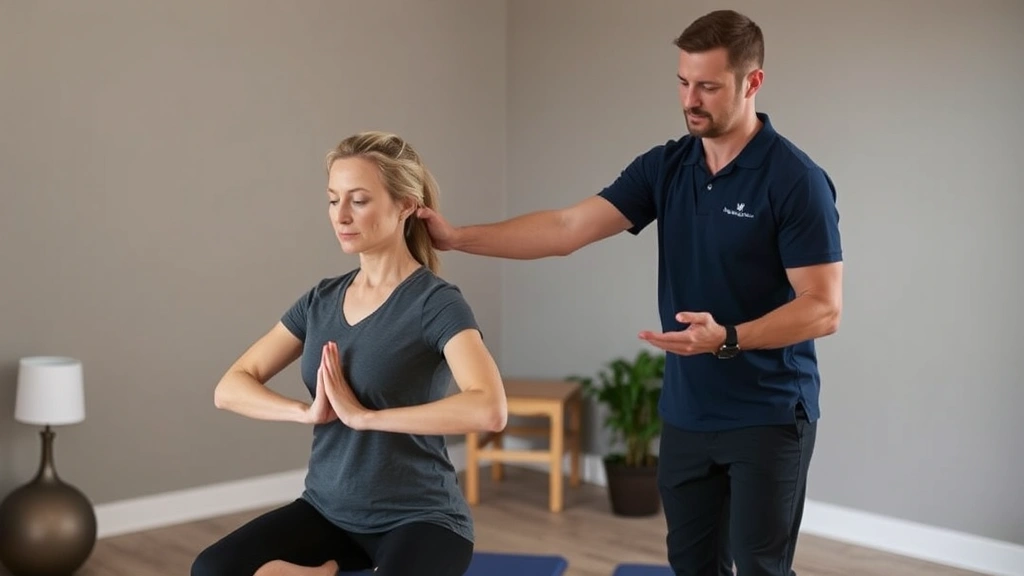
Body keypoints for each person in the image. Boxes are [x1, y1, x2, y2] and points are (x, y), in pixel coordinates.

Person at [415, 9, 842, 576]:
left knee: (760, 567)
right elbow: (567, 229)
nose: (691, 99)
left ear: (752, 83)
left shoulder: (794, 180)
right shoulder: (667, 167)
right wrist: (458, 237)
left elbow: (823, 307)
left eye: (709, 86)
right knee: (690, 564)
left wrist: (729, 338)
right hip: (688, 412)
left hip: (768, 414)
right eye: (684, 82)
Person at [191, 131, 508, 576]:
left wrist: (366, 417)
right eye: (332, 199)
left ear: (405, 205)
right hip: (328, 510)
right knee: (214, 569)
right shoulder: (320, 300)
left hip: (422, 519)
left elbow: (489, 408)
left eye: (358, 200)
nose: (340, 215)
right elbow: (231, 386)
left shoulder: (435, 303)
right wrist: (306, 413)